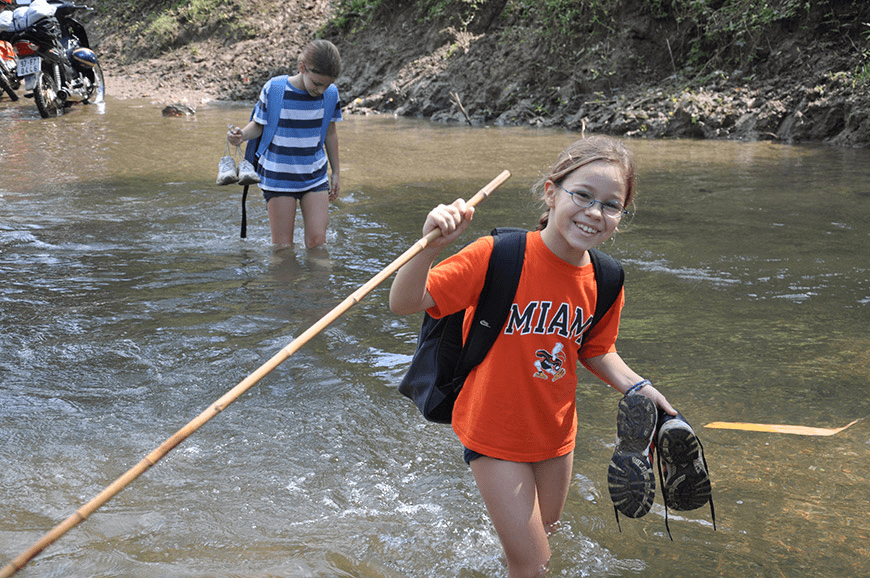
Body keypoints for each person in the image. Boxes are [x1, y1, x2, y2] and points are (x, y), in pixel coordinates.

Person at [389, 136, 680, 577]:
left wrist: (639, 387)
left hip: (556, 434)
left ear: (621, 215)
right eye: (582, 195)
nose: (594, 212)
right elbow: (405, 301)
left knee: (545, 538)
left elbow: (598, 350)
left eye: (611, 204)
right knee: (534, 561)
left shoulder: (606, 277)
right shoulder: (498, 256)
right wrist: (430, 246)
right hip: (493, 431)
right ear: (551, 192)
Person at [228, 39, 342, 249]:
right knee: (282, 247)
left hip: (315, 175)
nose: (321, 90)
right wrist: (241, 135)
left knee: (318, 244)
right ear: (302, 68)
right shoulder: (275, 89)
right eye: (317, 83)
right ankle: (284, 283)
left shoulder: (330, 94)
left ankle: (320, 283)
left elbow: (330, 133)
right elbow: (259, 125)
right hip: (278, 177)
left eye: (326, 85)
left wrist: (335, 172)